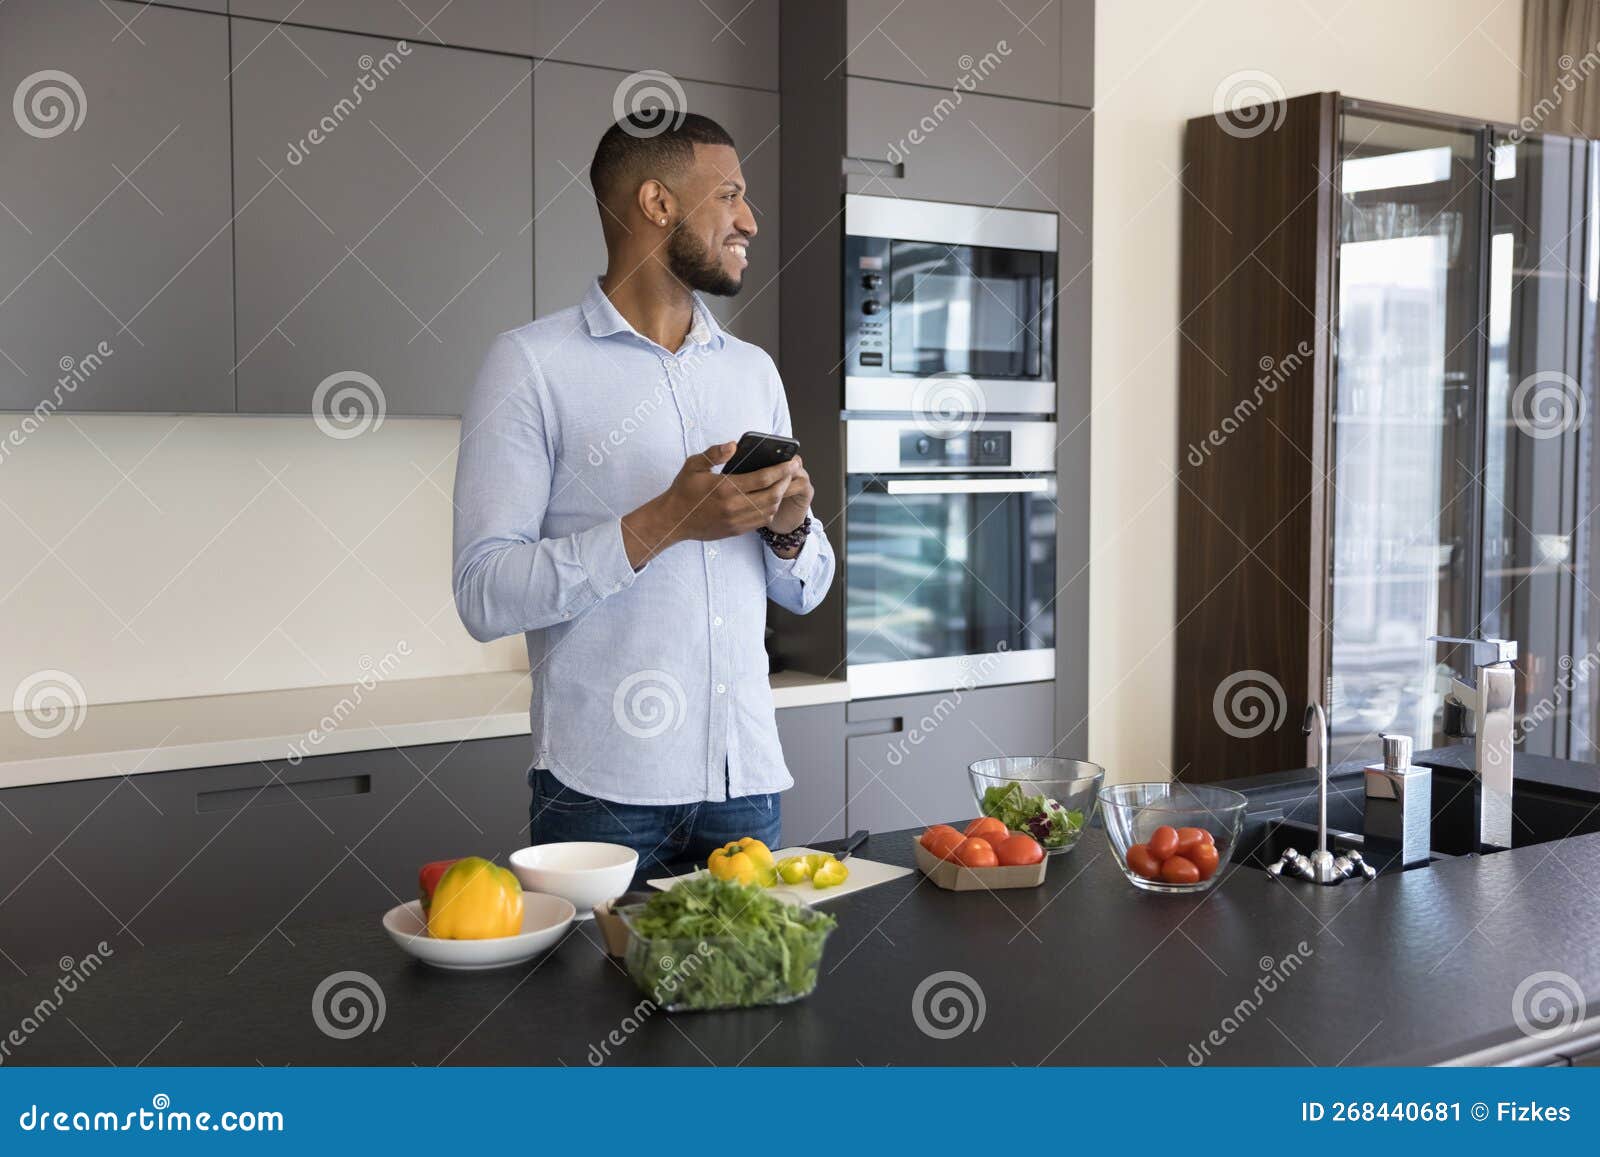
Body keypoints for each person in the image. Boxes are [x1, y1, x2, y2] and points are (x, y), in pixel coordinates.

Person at [451, 111, 835, 879]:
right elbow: (484, 593)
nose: (750, 220)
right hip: (602, 794)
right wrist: (664, 521)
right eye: (729, 195)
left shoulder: (751, 371)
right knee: (590, 1000)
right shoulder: (529, 365)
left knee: (758, 996)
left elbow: (806, 588)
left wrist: (788, 529)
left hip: (746, 783)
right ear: (658, 205)